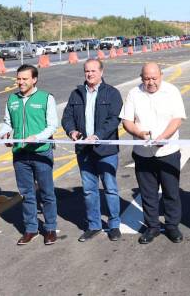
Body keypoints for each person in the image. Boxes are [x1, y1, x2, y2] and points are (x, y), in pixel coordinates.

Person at [120, 62, 186, 244]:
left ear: (161, 76)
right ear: (141, 78)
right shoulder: (134, 93)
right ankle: (152, 227)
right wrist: (139, 133)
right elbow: (127, 121)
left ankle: (172, 226)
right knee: (148, 193)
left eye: (154, 78)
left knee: (171, 192)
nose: (151, 82)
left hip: (168, 151)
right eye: (147, 79)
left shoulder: (172, 91)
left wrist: (164, 137)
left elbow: (177, 119)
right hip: (143, 153)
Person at [62, 59, 123, 242]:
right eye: (87, 71)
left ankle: (114, 225)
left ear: (101, 72)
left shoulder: (112, 93)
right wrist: (72, 131)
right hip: (84, 151)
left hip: (106, 150)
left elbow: (114, 119)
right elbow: (67, 117)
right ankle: (94, 225)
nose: (90, 74)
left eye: (93, 71)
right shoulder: (76, 94)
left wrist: (97, 136)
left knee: (110, 189)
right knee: (89, 190)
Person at [0, 64, 59, 245]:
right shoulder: (12, 99)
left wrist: (38, 137)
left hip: (41, 153)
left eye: (25, 79)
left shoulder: (46, 98)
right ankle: (31, 229)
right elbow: (7, 123)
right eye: (18, 79)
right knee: (26, 194)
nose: (21, 82)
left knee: (47, 193)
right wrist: (5, 134)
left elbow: (52, 125)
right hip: (20, 154)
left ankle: (50, 228)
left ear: (34, 79)